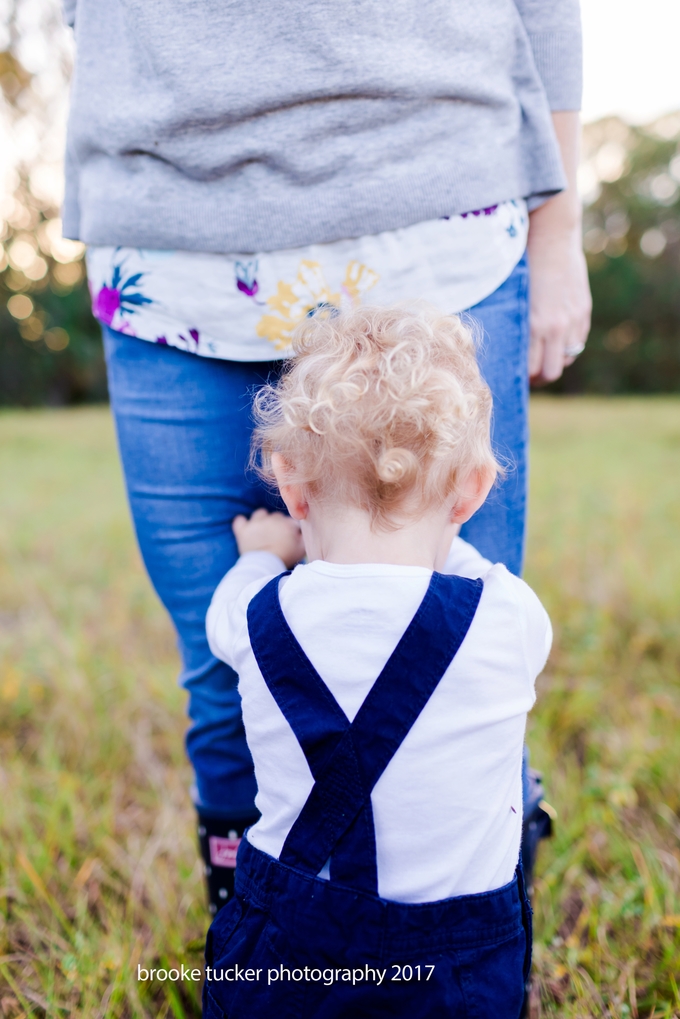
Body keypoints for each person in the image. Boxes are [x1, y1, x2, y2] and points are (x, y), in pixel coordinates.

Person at [62, 0, 588, 910]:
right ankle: (309, 917)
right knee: (228, 673)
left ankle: (289, 930)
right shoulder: (515, 614)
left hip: (435, 209)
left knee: (435, 653)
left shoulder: (501, 617)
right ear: (473, 489)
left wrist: (561, 228)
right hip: (170, 238)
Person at [202, 305, 552, 1018]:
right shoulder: (509, 617)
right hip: (458, 966)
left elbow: (225, 608)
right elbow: (462, 564)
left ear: (291, 486)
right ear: (474, 490)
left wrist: (264, 552)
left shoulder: (252, 612)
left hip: (289, 959)